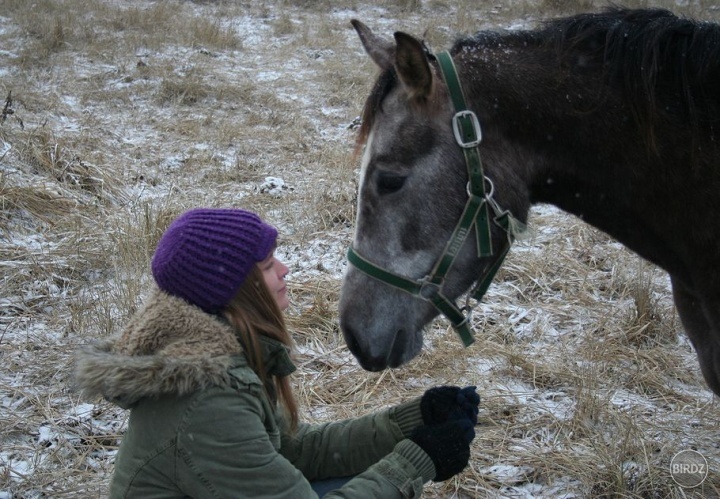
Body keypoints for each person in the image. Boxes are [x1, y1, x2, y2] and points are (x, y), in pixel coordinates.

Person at [74, 207, 480, 498]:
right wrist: (417, 459)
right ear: (234, 292)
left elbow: (296, 449)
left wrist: (410, 421)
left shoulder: (222, 353)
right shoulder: (208, 402)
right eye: (268, 265)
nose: (284, 269)